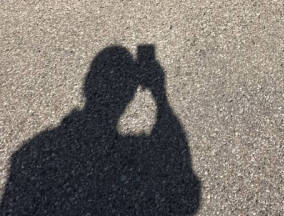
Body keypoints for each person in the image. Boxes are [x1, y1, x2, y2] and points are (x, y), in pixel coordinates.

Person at [0, 45, 201, 215]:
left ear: (87, 85)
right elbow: (184, 186)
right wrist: (160, 96)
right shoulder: (136, 154)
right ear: (131, 92)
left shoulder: (31, 153)